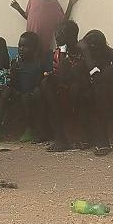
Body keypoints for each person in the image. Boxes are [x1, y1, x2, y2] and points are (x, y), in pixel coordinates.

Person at [80, 30, 113, 156]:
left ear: (98, 48)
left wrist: (88, 57)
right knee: (81, 90)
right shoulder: (98, 58)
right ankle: (87, 137)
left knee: (100, 89)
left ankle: (103, 141)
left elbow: (100, 79)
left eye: (92, 52)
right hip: (102, 103)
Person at [10, 0, 79, 63]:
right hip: (28, 42)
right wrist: (18, 8)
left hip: (42, 45)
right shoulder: (32, 0)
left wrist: (70, 4)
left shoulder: (54, 4)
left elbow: (63, 22)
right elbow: (27, 16)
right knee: (25, 62)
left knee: (39, 64)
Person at [42, 21, 88, 152]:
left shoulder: (81, 51)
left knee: (74, 89)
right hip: (65, 85)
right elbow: (60, 74)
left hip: (80, 86)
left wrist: (63, 52)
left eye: (60, 34)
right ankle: (58, 136)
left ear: (70, 36)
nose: (56, 37)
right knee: (45, 84)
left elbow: (72, 74)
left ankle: (69, 137)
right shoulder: (59, 52)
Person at [2, 32, 51, 144]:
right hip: (19, 92)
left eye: (25, 46)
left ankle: (30, 128)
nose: (21, 49)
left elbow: (38, 84)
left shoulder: (38, 64)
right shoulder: (16, 63)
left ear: (34, 49)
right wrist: (13, 73)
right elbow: (14, 83)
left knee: (25, 97)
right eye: (20, 46)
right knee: (5, 92)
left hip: (31, 95)